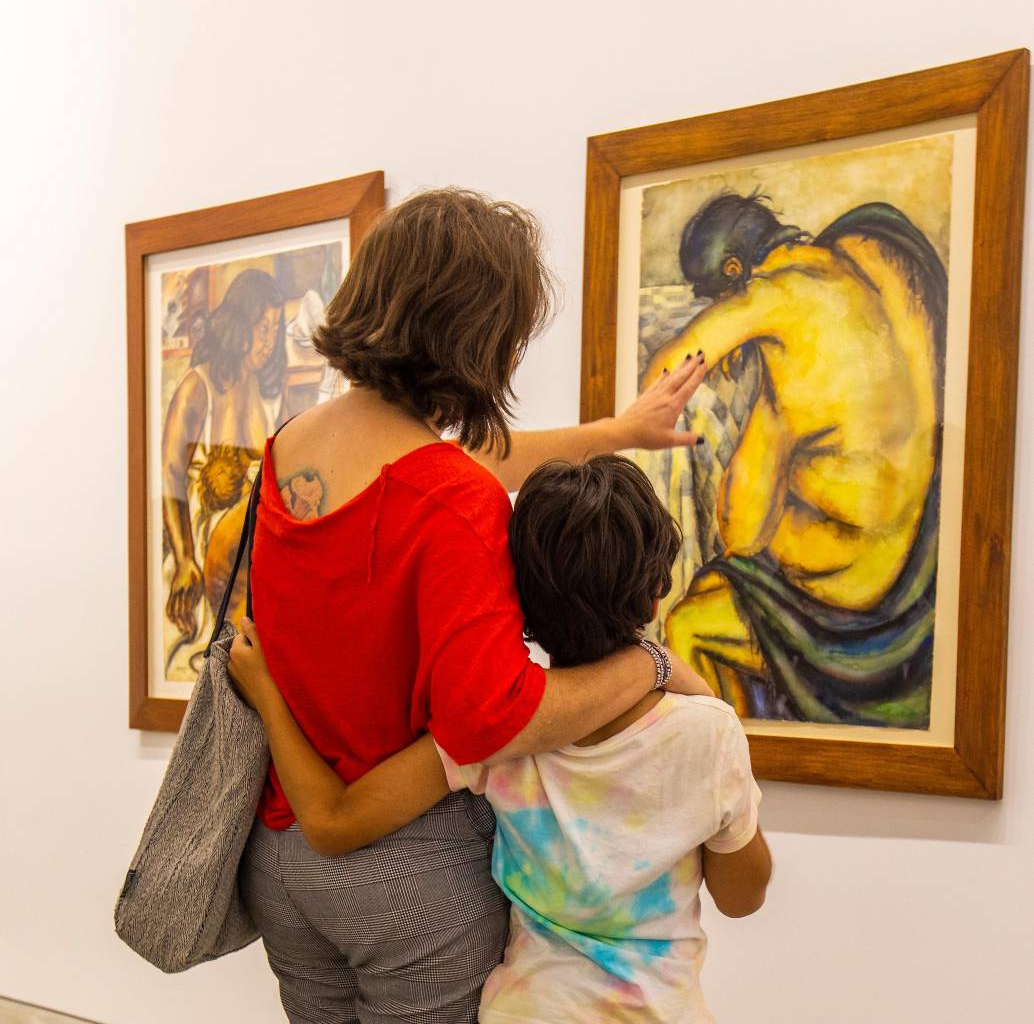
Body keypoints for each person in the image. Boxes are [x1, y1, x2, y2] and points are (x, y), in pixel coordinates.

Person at [230, 188, 713, 1024]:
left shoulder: (290, 449)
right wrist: (649, 664)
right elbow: (494, 716)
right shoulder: (452, 497)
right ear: (477, 331)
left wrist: (618, 430)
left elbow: (460, 464)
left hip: (284, 861)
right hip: (403, 879)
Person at [231, 454, 772, 1023]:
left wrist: (269, 693)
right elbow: (742, 898)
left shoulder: (498, 729)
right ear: (656, 595)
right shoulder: (706, 735)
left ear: (517, 599)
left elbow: (334, 821)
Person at [643, 194, 946, 725]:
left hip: (846, 588)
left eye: (719, 297)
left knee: (687, 623)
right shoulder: (866, 257)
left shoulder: (775, 292)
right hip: (908, 567)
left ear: (735, 271)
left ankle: (724, 783)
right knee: (719, 581)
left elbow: (664, 377)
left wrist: (736, 328)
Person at [161, 268, 287, 650]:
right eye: (262, 328)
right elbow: (169, 474)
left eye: (275, 330)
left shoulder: (269, 398)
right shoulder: (197, 388)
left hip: (249, 551)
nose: (269, 342)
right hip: (204, 539)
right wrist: (184, 558)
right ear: (239, 323)